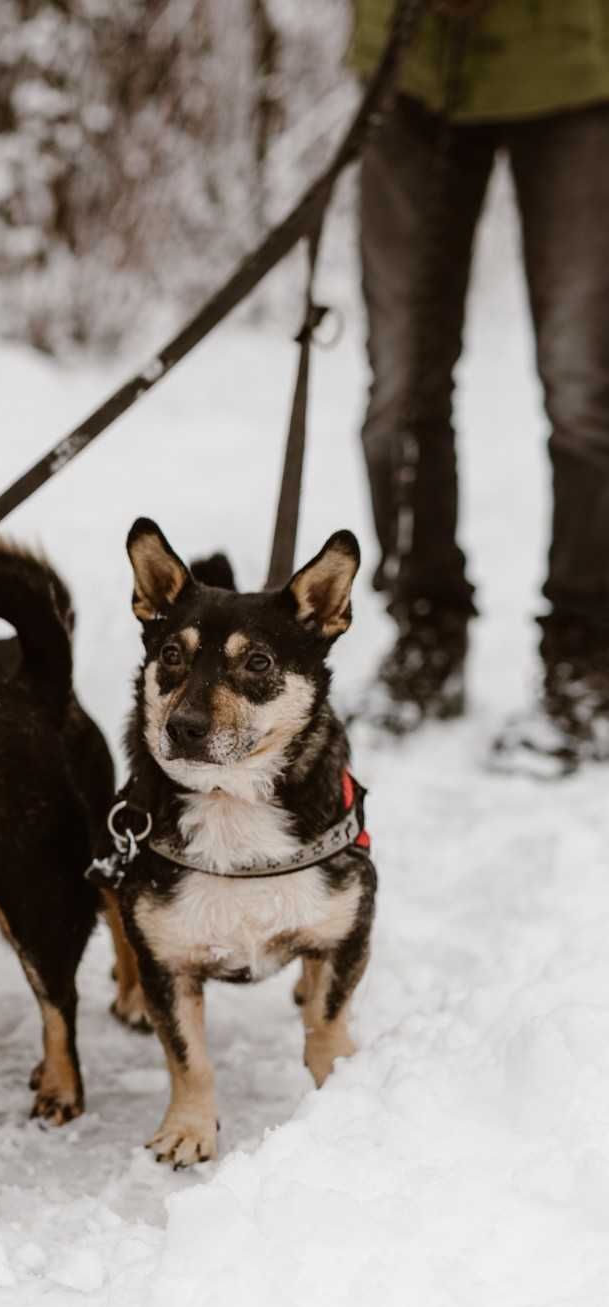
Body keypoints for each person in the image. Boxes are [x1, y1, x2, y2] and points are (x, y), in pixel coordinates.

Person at [348, 0, 609, 773]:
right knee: (397, 386)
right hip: (410, 67)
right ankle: (424, 629)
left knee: (583, 390)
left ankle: (585, 655)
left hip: (573, 62)